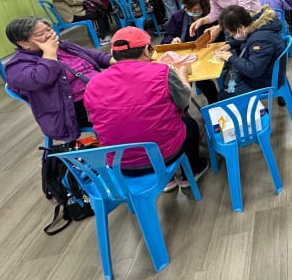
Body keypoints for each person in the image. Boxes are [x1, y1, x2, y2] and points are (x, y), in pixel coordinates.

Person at [84, 27, 209, 193]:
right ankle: (191, 173)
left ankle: (169, 181)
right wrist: (183, 75)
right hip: (163, 157)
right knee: (190, 125)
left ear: (113, 53)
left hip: (119, 164)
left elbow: (93, 119)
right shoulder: (162, 72)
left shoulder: (93, 83)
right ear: (146, 50)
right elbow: (184, 102)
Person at [5, 17, 113, 142]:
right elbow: (42, 79)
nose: (49, 35)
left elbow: (96, 56)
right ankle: (121, 146)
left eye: (48, 29)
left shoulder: (63, 46)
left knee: (131, 92)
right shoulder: (17, 66)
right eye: (40, 34)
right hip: (73, 109)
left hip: (101, 92)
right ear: (24, 44)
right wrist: (49, 53)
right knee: (125, 107)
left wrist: (118, 59)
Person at [213, 5, 286, 99]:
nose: (231, 36)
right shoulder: (257, 25)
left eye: (232, 34)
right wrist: (230, 45)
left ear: (240, 28)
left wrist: (230, 57)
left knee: (224, 95)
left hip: (267, 80)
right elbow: (248, 38)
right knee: (227, 79)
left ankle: (256, 108)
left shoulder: (261, 40)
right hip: (265, 70)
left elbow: (253, 70)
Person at [160, 0, 218, 105]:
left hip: (206, 56)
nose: (193, 13)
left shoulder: (212, 16)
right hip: (184, 58)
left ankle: (214, 105)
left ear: (204, 7)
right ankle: (183, 107)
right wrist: (172, 40)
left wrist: (211, 39)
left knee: (205, 82)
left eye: (197, 10)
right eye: (189, 9)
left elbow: (220, 39)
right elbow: (166, 38)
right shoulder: (178, 17)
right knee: (180, 83)